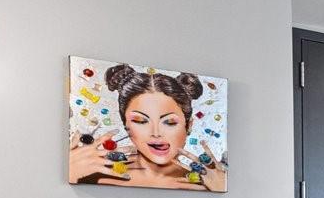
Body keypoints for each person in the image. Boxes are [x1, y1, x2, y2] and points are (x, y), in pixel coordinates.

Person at [68, 64, 226, 191]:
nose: (156, 133)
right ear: (126, 125)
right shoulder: (93, 172)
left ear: (189, 125)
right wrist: (73, 169)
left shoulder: (209, 184)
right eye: (140, 121)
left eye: (169, 122)